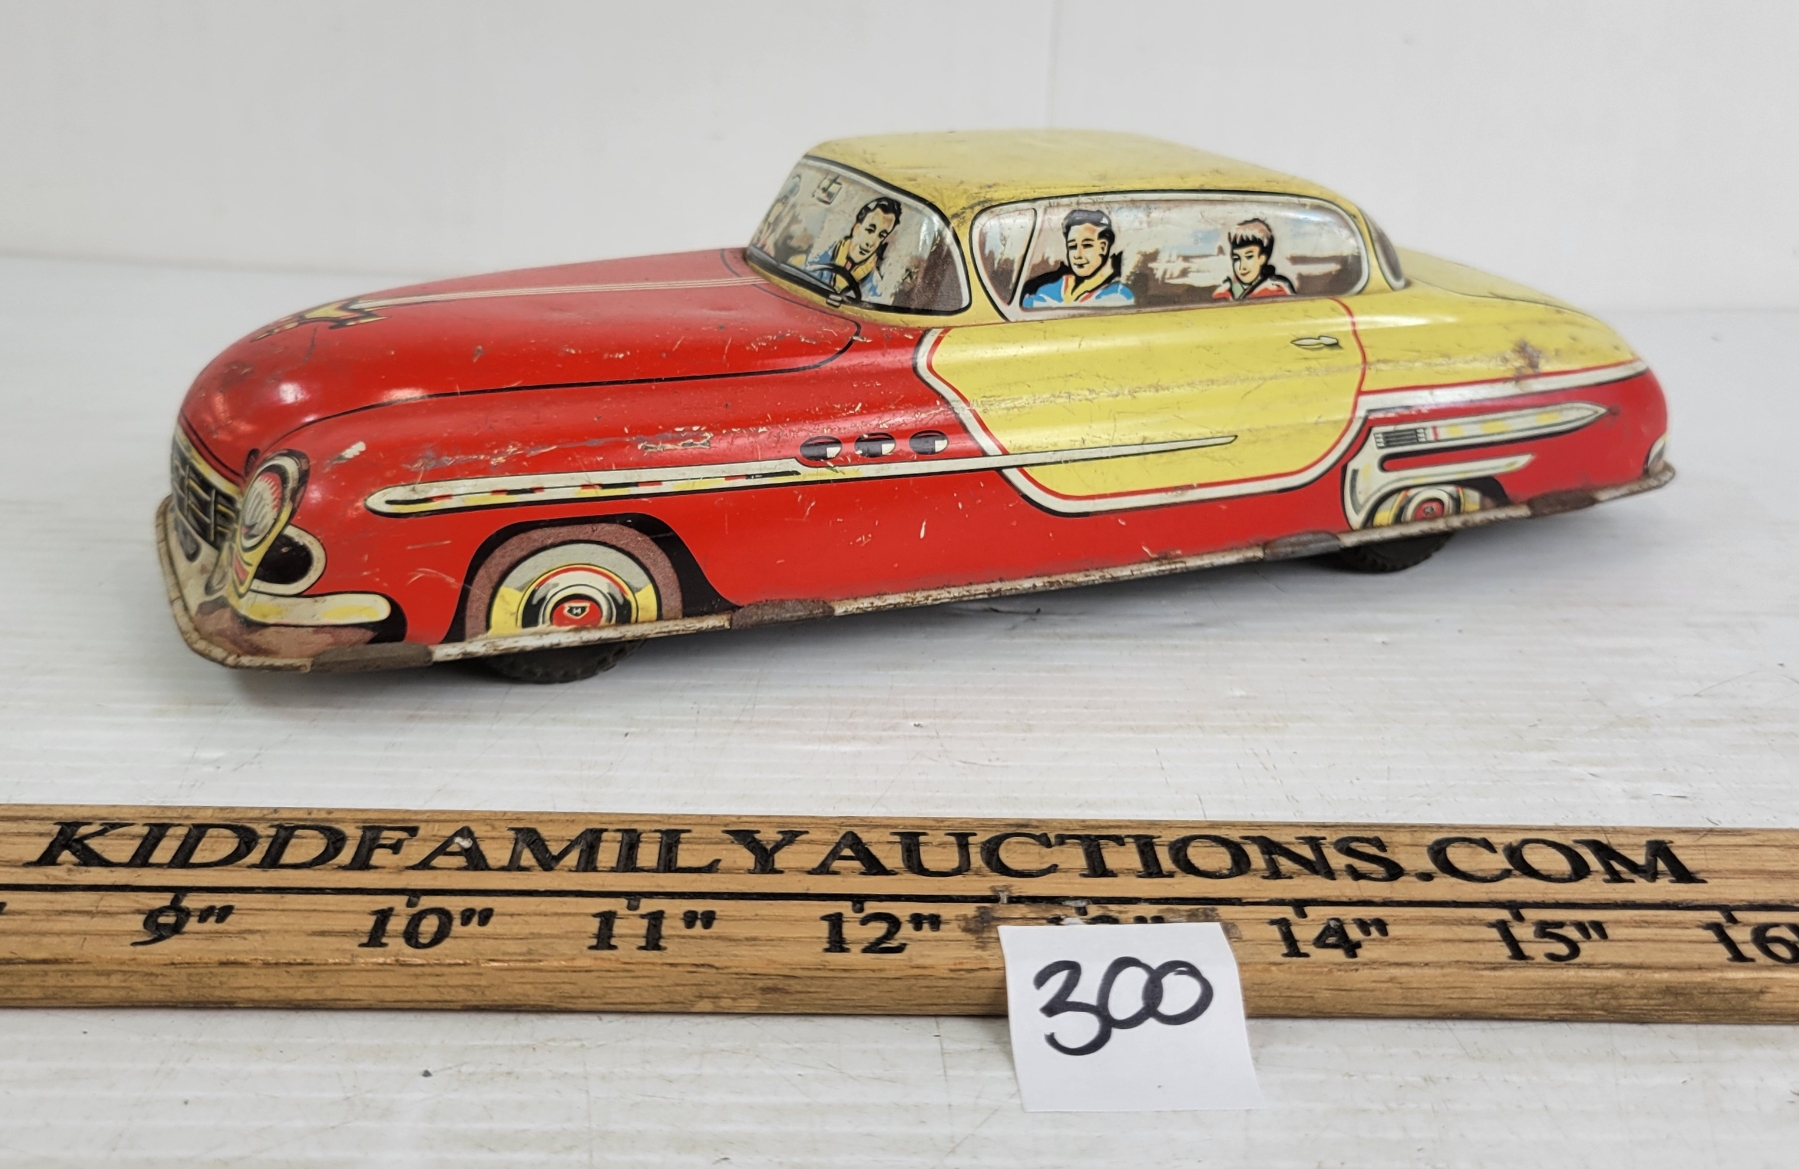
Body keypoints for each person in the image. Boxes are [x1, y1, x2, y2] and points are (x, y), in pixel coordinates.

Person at [1020, 208, 1134, 308]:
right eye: (1072, 247)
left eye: (1087, 245)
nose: (1078, 255)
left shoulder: (1118, 294)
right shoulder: (1052, 288)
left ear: (1103, 247)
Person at [800, 197, 902, 299]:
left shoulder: (874, 287)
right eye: (869, 230)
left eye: (881, 236)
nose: (871, 242)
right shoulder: (821, 253)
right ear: (856, 228)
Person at [1213, 218, 1296, 300]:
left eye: (1249, 257)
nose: (1242, 266)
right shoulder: (1224, 291)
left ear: (1262, 258)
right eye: (1236, 258)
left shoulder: (1276, 290)